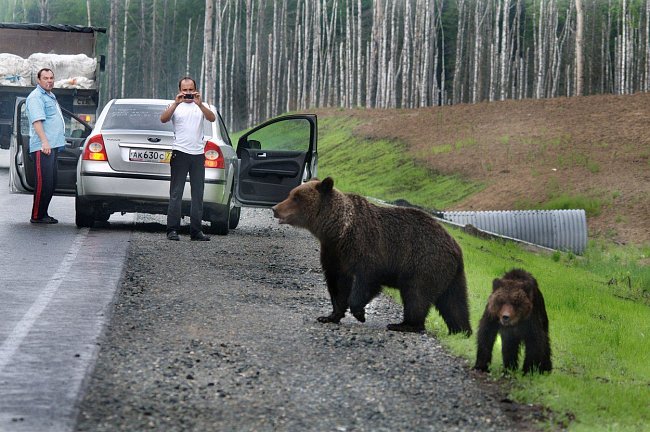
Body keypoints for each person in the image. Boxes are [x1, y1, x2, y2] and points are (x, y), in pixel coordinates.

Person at [160, 76, 216, 241]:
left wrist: (200, 104)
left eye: (191, 90)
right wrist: (176, 103)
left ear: (196, 90)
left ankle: (196, 231)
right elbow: (163, 119)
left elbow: (212, 118)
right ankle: (172, 230)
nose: (188, 93)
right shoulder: (175, 106)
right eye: (185, 90)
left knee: (198, 194)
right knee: (176, 193)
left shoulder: (201, 106)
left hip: (198, 154)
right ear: (180, 91)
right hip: (180, 153)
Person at [25, 68, 66, 224]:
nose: (49, 81)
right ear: (38, 80)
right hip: (43, 147)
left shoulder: (49, 95)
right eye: (46, 78)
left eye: (51, 78)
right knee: (43, 183)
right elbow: (37, 121)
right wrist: (44, 141)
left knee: (51, 182)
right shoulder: (36, 97)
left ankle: (44, 213)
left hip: (53, 145)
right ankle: (36, 215)